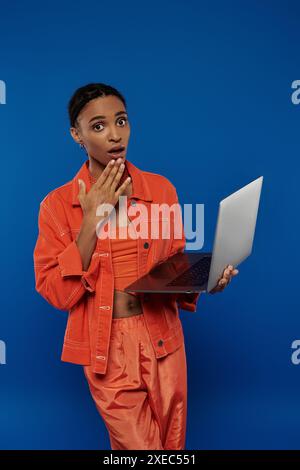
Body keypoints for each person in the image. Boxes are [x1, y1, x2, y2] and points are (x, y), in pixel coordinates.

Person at [33, 82, 239, 450]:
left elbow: (173, 267)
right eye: (97, 126)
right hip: (108, 346)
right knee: (139, 448)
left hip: (164, 338)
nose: (114, 134)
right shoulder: (58, 205)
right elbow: (55, 290)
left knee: (170, 446)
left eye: (121, 121)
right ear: (76, 135)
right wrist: (91, 223)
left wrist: (206, 279)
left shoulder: (160, 190)